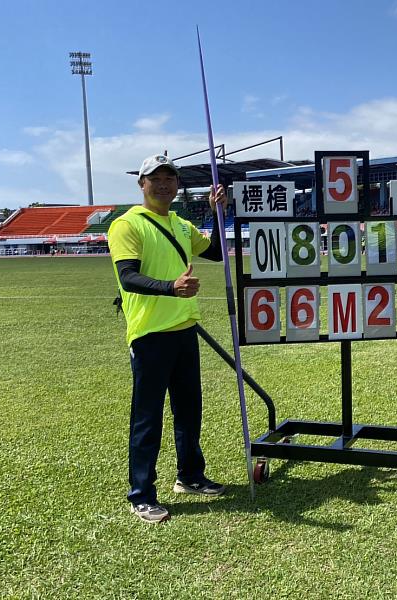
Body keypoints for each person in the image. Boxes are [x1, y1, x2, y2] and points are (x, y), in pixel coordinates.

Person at [108, 154, 228, 524]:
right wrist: (170, 287)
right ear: (141, 184)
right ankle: (141, 494)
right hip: (149, 335)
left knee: (189, 411)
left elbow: (219, 252)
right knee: (147, 417)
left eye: (169, 178)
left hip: (183, 331)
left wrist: (217, 213)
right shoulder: (127, 225)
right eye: (155, 178)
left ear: (177, 184)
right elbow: (128, 276)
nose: (163, 184)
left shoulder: (180, 224)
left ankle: (189, 476)